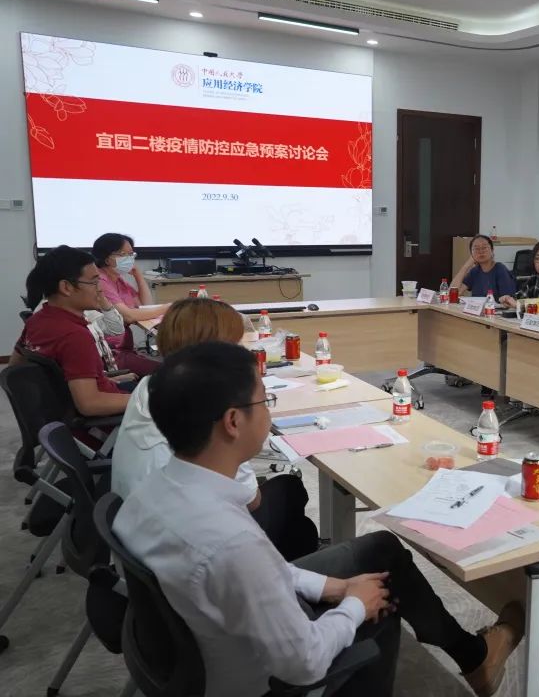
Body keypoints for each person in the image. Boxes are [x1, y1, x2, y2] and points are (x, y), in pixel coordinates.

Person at [113, 341, 524, 697]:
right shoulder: (231, 542)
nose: (268, 412)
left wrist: (336, 586)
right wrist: (355, 606)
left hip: (202, 638)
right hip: (259, 678)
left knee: (380, 550)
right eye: (264, 401)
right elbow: (304, 663)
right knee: (380, 605)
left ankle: (475, 658)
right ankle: (474, 657)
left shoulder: (152, 490)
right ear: (233, 422)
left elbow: (265, 571)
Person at [111, 298, 319, 560]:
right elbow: (251, 499)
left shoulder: (153, 384)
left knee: (287, 498)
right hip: (190, 545)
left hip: (147, 533)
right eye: (235, 344)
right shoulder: (211, 412)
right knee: (289, 492)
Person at [15, 246, 130, 417]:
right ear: (66, 287)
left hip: (66, 409)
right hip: (109, 419)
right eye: (94, 282)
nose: (100, 289)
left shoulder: (36, 321)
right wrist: (148, 400)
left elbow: (15, 369)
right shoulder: (75, 336)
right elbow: (90, 404)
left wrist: (100, 380)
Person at [91, 232, 169, 376]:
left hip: (125, 349)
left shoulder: (118, 280)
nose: (130, 259)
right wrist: (169, 307)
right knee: (167, 372)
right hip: (112, 353)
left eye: (131, 254)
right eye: (124, 254)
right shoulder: (101, 281)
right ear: (107, 258)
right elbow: (128, 316)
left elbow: (145, 305)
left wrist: (138, 275)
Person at [450, 234, 515, 300]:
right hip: (476, 306)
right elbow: (453, 292)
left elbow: (507, 300)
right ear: (471, 254)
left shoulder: (500, 269)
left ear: (492, 250)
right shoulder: (474, 271)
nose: (481, 251)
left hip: (493, 306)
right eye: (476, 249)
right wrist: (466, 265)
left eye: (484, 247)